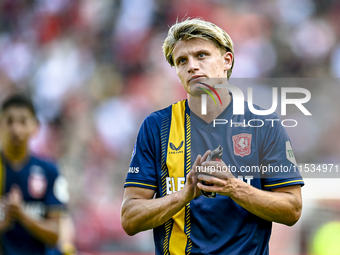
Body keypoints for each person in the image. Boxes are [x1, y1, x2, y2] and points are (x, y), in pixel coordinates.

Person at [121, 18, 304, 255]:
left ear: (226, 60)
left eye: (201, 55)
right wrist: (183, 195)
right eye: (182, 61)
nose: (192, 66)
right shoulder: (156, 127)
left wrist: (233, 187)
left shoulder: (263, 123)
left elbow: (292, 209)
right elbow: (130, 218)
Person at [0, 94, 69, 255]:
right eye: (9, 121)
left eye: (23, 121)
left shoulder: (50, 171)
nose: (16, 129)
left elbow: (54, 235)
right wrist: (7, 220)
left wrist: (21, 215)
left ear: (35, 127)